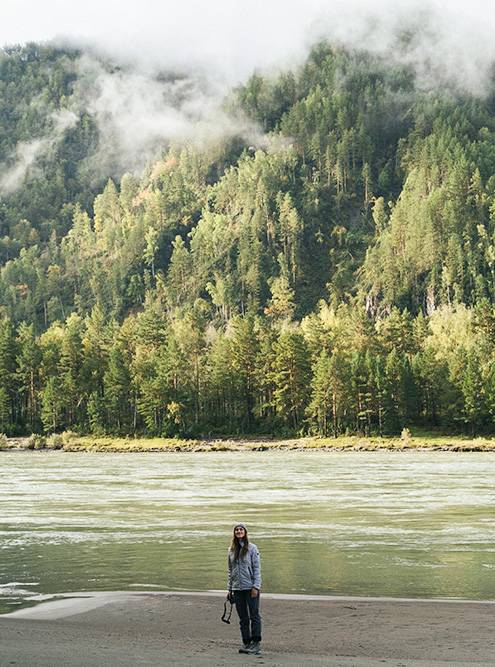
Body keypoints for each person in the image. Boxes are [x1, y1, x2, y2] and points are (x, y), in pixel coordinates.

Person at [227, 522, 262, 655]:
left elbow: (257, 569)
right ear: (234, 533)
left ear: (245, 532)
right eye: (237, 530)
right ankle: (246, 642)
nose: (239, 531)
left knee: (254, 615)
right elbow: (230, 570)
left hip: (251, 587)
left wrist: (256, 586)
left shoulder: (252, 548)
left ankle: (256, 643)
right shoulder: (231, 549)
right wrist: (229, 589)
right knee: (243, 618)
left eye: (241, 529)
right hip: (237, 588)